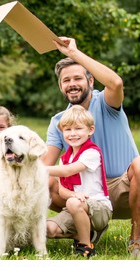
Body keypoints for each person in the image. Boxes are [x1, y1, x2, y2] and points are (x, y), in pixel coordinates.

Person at [42, 37, 140, 257]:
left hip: (122, 188)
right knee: (45, 181)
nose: (72, 84)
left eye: (78, 78)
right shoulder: (59, 121)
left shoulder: (106, 103)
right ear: (60, 86)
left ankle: (135, 241)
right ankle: (87, 229)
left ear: (91, 82)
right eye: (66, 80)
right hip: (81, 195)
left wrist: (74, 53)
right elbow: (44, 165)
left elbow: (116, 83)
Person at [46, 105, 112, 258]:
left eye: (78, 129)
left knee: (72, 203)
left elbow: (68, 171)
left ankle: (86, 246)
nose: (73, 134)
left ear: (90, 130)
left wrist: (38, 168)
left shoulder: (92, 152)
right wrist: (74, 194)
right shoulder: (65, 158)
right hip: (76, 206)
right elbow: (62, 191)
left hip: (99, 208)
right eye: (68, 130)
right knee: (48, 229)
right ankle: (85, 233)